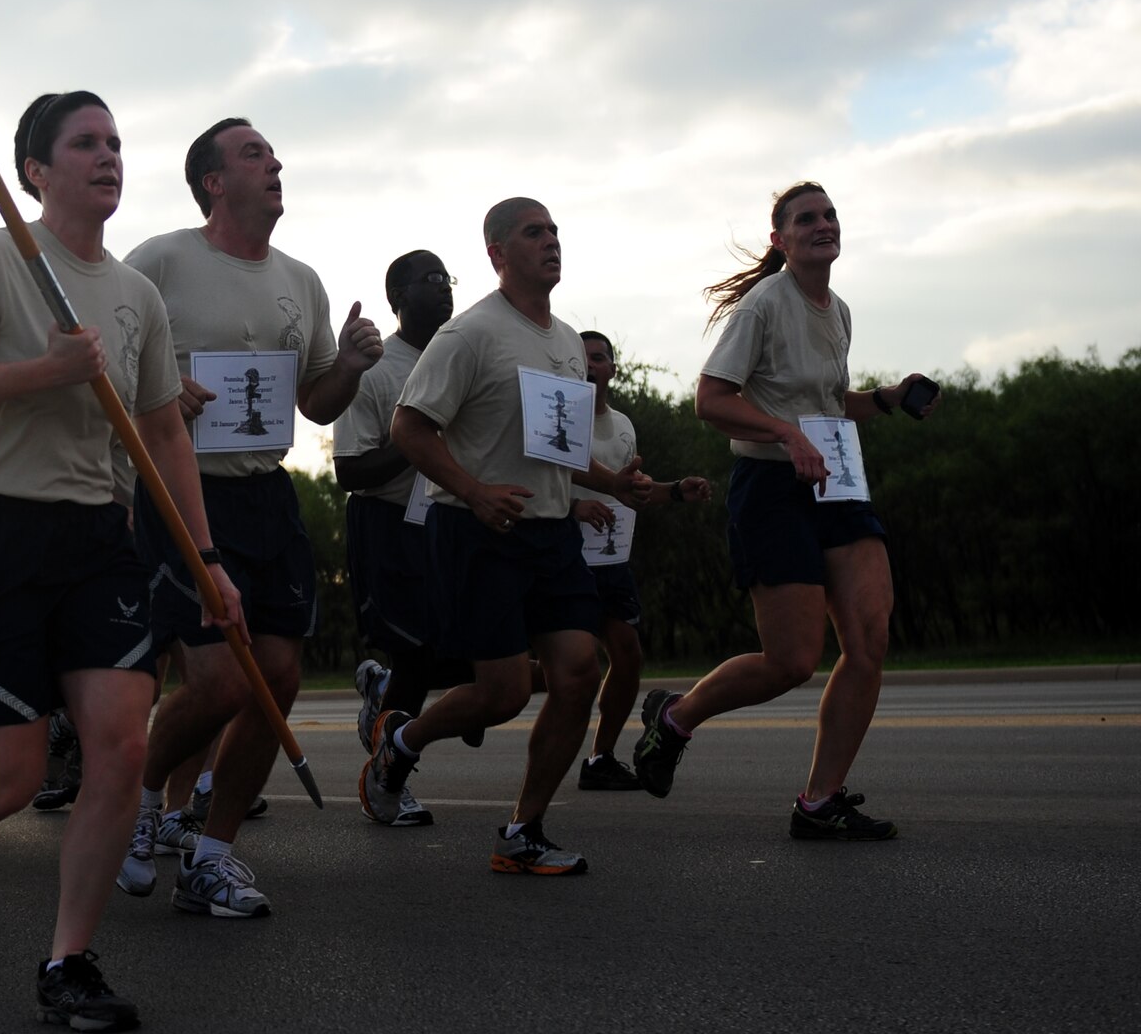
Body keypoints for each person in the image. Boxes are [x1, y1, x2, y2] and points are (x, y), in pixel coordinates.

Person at [0, 90, 244, 1032]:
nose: (107, 156)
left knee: (119, 744)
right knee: (12, 776)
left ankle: (67, 961)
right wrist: (48, 372)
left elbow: (163, 434)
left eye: (115, 142)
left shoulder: (137, 296)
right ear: (36, 168)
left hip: (98, 539)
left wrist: (204, 556)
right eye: (84, 143)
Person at [121, 119, 381, 915]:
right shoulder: (159, 262)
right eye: (254, 154)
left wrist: (354, 367)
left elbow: (315, 400)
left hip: (267, 493)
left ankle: (210, 855)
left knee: (278, 676)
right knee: (220, 678)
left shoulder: (300, 281)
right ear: (212, 182)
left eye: (273, 153)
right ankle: (136, 807)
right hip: (179, 490)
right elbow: (103, 367)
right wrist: (160, 392)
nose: (275, 164)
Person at [630, 182, 936, 839]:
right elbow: (711, 400)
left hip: (836, 479)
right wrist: (786, 434)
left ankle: (819, 802)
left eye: (829, 215)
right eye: (806, 218)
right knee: (792, 661)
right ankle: (676, 717)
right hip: (771, 488)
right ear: (781, 240)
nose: (823, 224)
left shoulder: (839, 310)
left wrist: (884, 398)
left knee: (871, 638)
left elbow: (825, 401)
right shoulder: (764, 304)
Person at [360, 198, 646, 872]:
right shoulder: (471, 335)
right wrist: (474, 491)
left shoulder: (567, 341)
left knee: (577, 674)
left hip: (550, 534)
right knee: (504, 692)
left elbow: (563, 445)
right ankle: (401, 744)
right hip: (478, 529)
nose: (550, 241)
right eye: (533, 233)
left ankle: (523, 832)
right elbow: (409, 427)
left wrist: (615, 482)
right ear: (497, 253)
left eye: (554, 231)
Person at [336, 251, 461, 827]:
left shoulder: (460, 357)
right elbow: (350, 472)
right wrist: (416, 439)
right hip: (388, 526)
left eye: (447, 279)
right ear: (397, 297)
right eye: (429, 280)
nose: (443, 289)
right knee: (417, 654)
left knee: (466, 659)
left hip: (447, 519)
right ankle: (391, 780)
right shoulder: (379, 370)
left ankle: (384, 692)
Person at [570, 331, 712, 789]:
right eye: (581, 358)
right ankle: (480, 690)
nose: (591, 365)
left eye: (599, 358)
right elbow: (533, 480)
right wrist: (575, 509)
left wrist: (674, 492)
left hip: (611, 562)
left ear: (612, 368)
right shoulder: (556, 416)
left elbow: (631, 493)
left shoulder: (624, 426)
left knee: (627, 658)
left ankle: (600, 759)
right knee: (569, 667)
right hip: (562, 557)